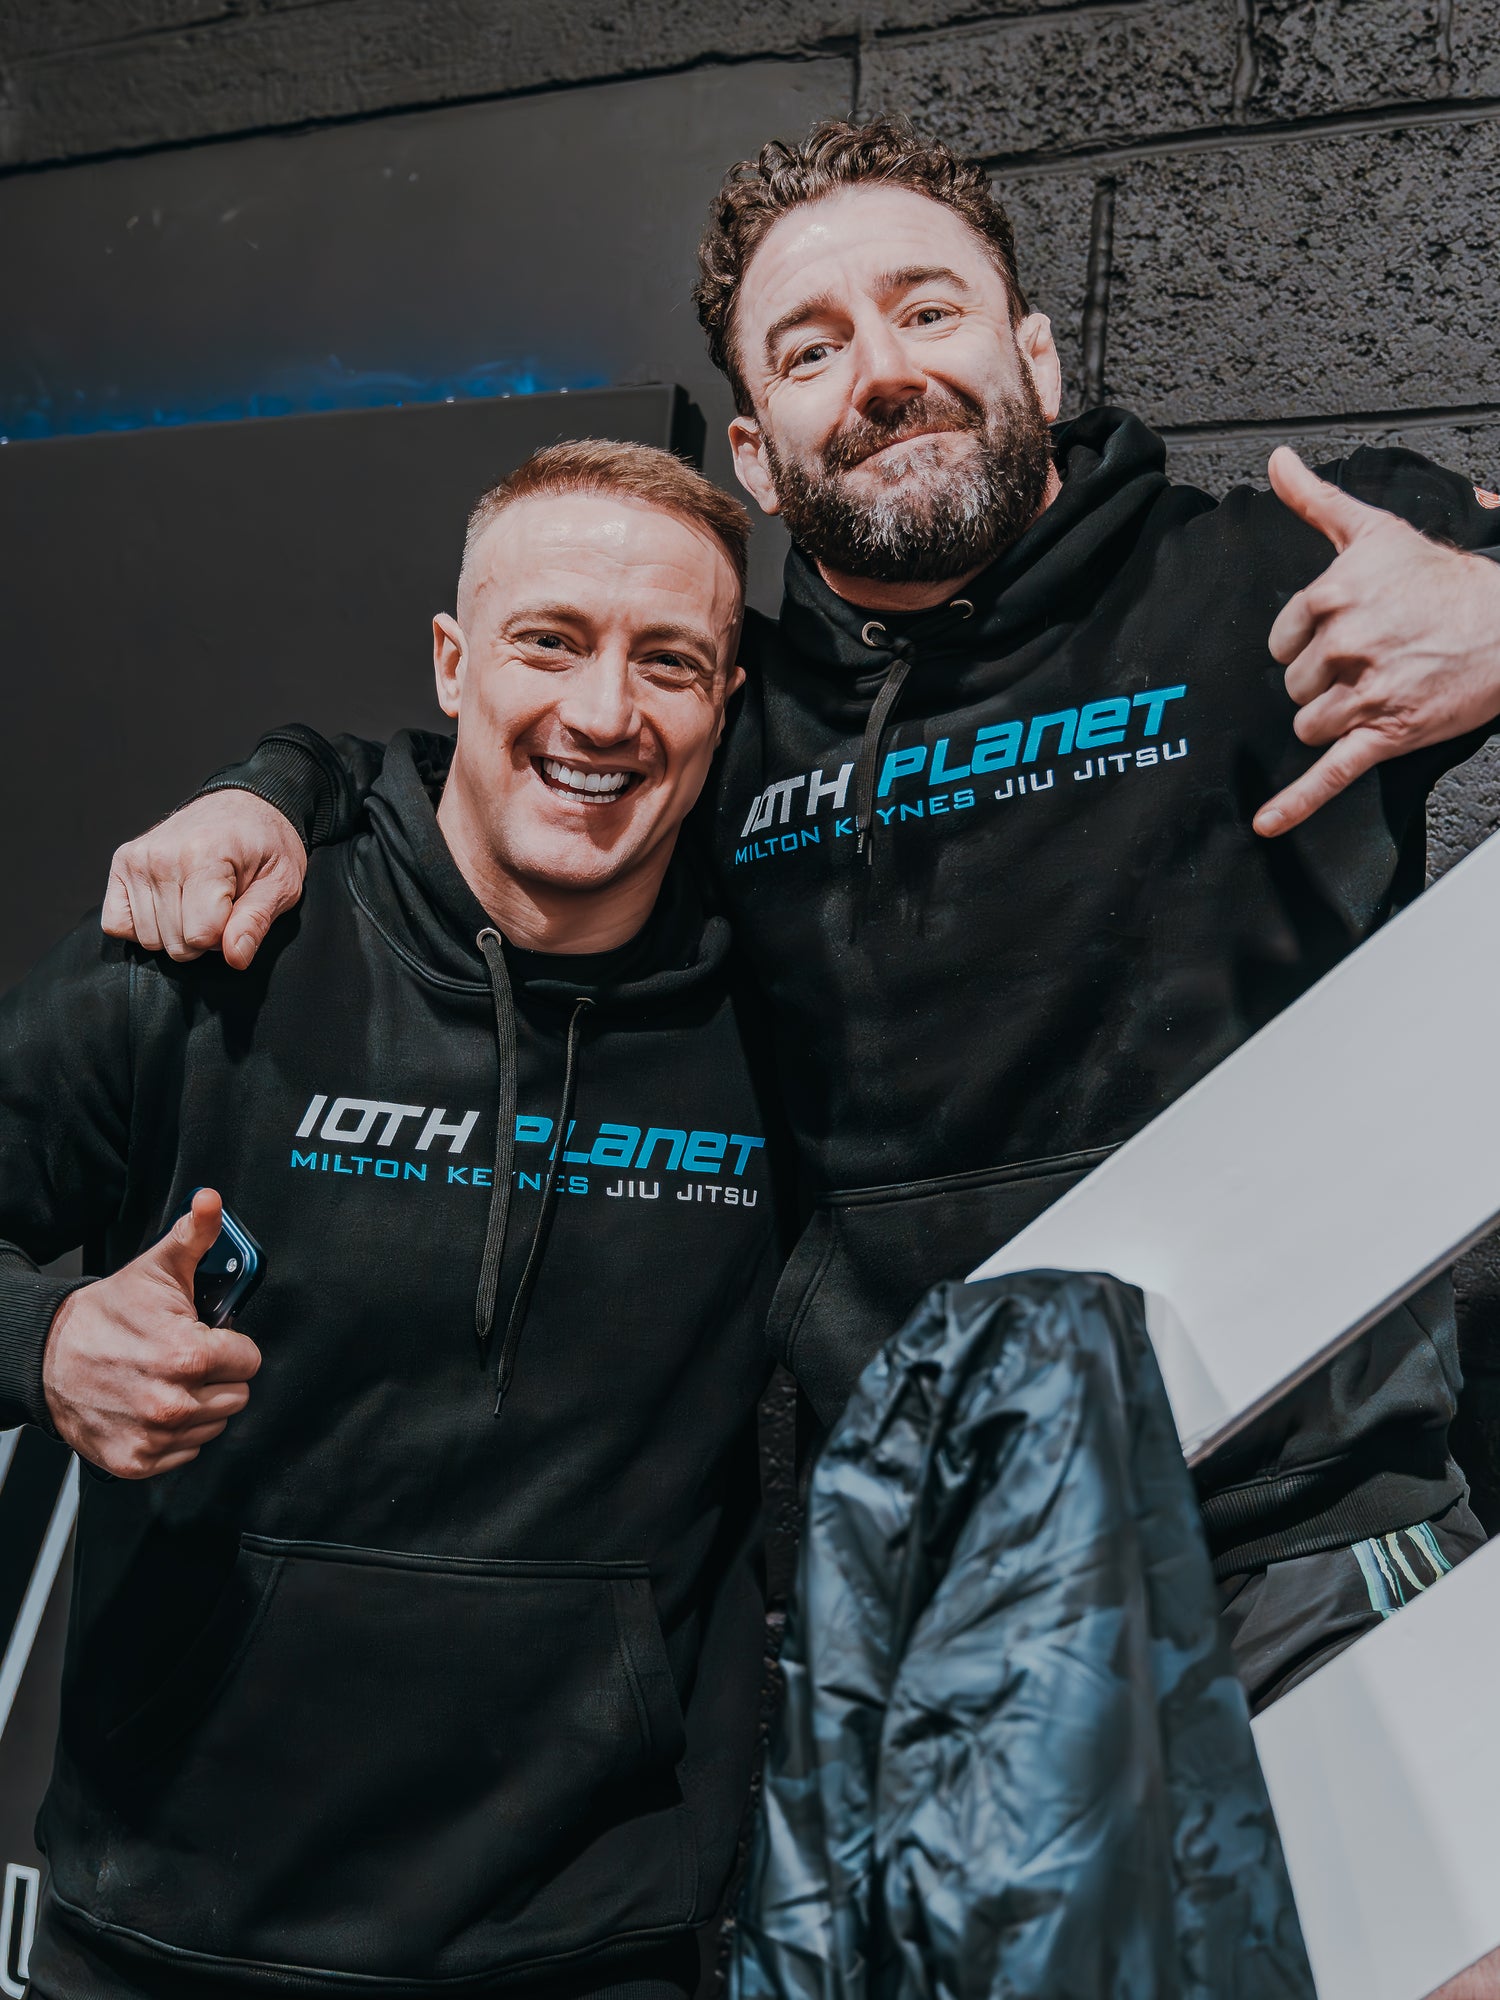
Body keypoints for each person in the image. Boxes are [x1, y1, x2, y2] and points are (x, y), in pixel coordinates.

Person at [109, 116, 1500, 1722]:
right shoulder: (729, 727)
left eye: (929, 310)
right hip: (926, 1604)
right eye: (812, 347)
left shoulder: (1295, 558)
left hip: (1306, 1564)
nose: (886, 371)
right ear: (761, 456)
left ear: (1034, 357)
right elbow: (457, 783)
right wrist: (265, 786)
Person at [0, 441, 788, 1999]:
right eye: (549, 641)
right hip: (171, 1931)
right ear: (453, 660)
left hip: (595, 1946)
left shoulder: (793, 1009)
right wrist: (45, 1344)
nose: (603, 713)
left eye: (669, 662)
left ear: (728, 701)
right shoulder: (220, 948)